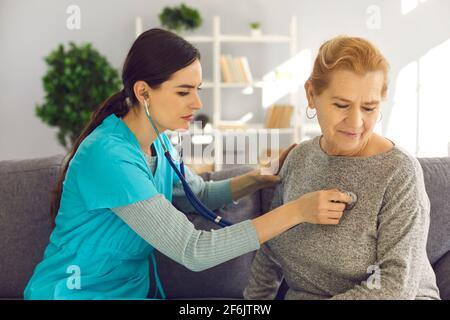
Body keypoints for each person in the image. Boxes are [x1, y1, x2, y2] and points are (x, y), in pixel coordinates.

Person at [24, 29, 352, 300]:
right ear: (143, 92)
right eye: (183, 92)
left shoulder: (160, 140)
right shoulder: (109, 156)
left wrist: (258, 178)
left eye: (197, 90)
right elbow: (193, 251)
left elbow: (200, 195)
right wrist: (297, 211)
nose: (196, 103)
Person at [243, 36, 440, 300]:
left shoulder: (398, 172)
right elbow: (271, 250)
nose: (356, 121)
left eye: (369, 107)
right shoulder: (299, 158)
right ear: (311, 94)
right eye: (341, 105)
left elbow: (396, 285)